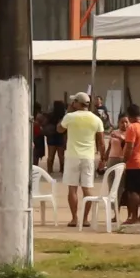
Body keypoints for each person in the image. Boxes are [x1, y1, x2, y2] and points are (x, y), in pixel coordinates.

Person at [58, 93, 106, 228]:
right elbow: (101, 142)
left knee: (72, 189)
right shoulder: (96, 119)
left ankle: (74, 218)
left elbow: (59, 129)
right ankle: (85, 219)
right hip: (88, 157)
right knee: (87, 188)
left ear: (76, 103)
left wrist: (68, 111)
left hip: (72, 156)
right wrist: (103, 159)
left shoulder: (70, 117)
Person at [116, 104, 140, 225]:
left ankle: (133, 216)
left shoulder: (132, 128)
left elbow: (129, 147)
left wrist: (124, 161)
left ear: (129, 115)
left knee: (132, 191)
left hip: (134, 163)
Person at [44, 99, 68, 175]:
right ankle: (62, 170)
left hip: (51, 137)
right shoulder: (64, 116)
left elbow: (45, 124)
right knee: (61, 156)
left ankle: (50, 170)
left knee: (50, 156)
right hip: (61, 136)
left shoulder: (50, 115)